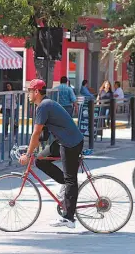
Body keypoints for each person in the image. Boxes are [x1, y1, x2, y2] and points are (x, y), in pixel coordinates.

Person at [19, 79, 84, 229]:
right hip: (63, 141)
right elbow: (44, 136)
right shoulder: (46, 104)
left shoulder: (43, 106)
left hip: (70, 143)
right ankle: (68, 188)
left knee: (70, 180)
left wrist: (28, 154)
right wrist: (30, 148)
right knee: (40, 160)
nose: (28, 94)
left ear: (36, 92)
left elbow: (36, 133)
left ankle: (69, 218)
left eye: (29, 91)